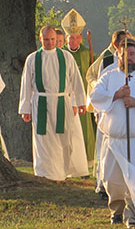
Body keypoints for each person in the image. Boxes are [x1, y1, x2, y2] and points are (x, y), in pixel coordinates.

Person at [89, 38, 135, 228]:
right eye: (125, 55)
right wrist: (116, 95)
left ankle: (132, 216)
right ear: (118, 56)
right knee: (112, 180)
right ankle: (116, 210)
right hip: (114, 141)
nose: (130, 58)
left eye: (133, 54)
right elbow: (95, 97)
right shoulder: (108, 77)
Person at [18, 25, 89, 181]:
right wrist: (25, 108)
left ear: (56, 39)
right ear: (40, 39)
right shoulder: (32, 58)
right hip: (41, 102)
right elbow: (26, 84)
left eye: (52, 39)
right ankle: (44, 173)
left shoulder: (66, 57)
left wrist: (81, 102)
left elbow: (76, 80)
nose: (50, 42)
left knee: (63, 138)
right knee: (43, 139)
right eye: (46, 39)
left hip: (62, 101)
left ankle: (62, 173)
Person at [86, 29, 131, 198]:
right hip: (109, 114)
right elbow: (96, 85)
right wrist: (99, 110)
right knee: (104, 152)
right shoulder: (106, 61)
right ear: (115, 45)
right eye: (122, 44)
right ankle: (102, 184)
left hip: (128, 117)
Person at [61, 9, 96, 166]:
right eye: (71, 38)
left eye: (76, 38)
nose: (74, 41)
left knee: (85, 130)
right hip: (65, 98)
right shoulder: (60, 54)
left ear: (80, 38)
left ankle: (86, 162)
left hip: (83, 97)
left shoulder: (87, 53)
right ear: (66, 38)